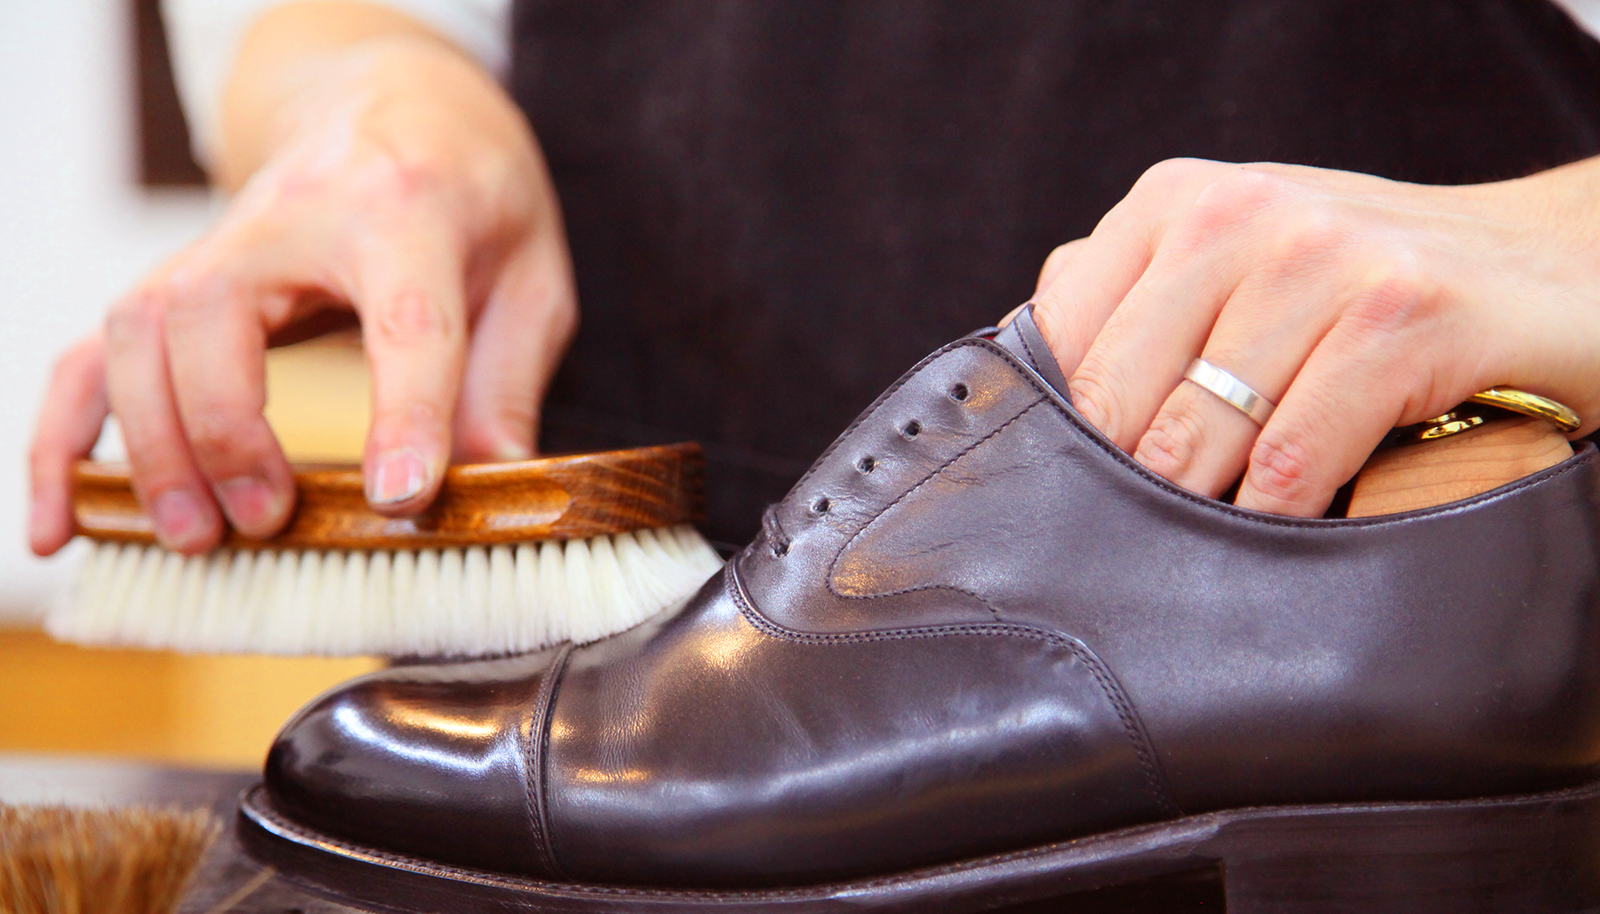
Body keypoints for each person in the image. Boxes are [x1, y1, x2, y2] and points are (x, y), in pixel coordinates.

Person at [27, 0, 1600, 555]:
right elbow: (332, 14)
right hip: (629, 714)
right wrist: (374, 107)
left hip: (1426, 709)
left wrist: (1541, 244)